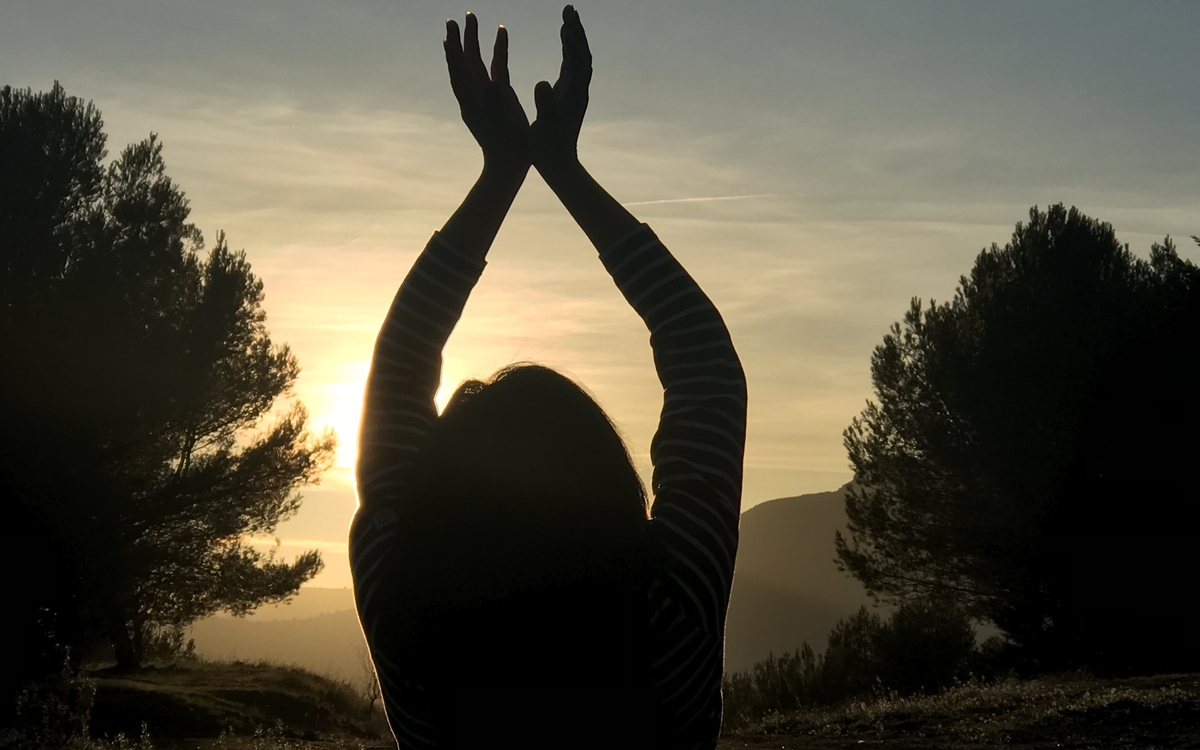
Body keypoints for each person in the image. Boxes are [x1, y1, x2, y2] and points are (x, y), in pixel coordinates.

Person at [350, 7, 746, 749]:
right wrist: (560, 168)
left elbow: (400, 367)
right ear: (604, 484)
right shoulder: (668, 619)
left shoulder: (403, 610)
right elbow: (704, 364)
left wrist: (499, 174)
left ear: (440, 498)